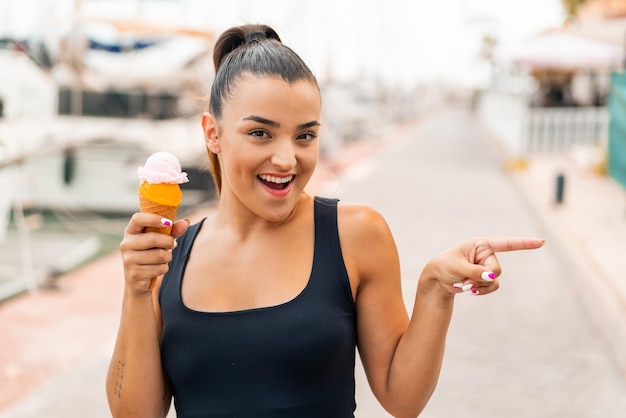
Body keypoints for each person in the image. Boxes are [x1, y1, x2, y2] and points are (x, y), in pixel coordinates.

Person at [106, 23, 544, 418]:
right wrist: (136, 291)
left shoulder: (356, 235)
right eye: (260, 132)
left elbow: (402, 398)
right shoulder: (167, 256)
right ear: (212, 133)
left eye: (305, 135)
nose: (287, 158)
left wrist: (434, 289)